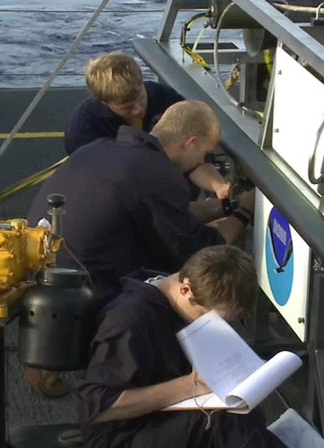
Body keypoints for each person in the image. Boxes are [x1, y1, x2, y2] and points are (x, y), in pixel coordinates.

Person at [76, 245, 324, 448]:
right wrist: (187, 387)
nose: (219, 329)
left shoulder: (180, 303)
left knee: (240, 414)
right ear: (186, 290)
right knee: (221, 419)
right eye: (213, 319)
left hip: (163, 429)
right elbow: (98, 407)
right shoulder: (130, 320)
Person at [25, 100, 253, 400]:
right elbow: (201, 251)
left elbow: (159, 212)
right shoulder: (160, 176)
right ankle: (132, 393)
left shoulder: (100, 149)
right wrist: (245, 213)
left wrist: (220, 207)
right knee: (182, 287)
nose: (202, 161)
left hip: (40, 276)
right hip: (88, 292)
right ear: (190, 142)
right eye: (203, 153)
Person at [65, 52, 231, 200]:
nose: (138, 110)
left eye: (140, 99)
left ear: (142, 83)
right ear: (104, 101)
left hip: (174, 195)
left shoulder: (166, 99)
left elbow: (192, 153)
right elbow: (101, 184)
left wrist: (218, 186)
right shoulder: (84, 128)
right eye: (127, 107)